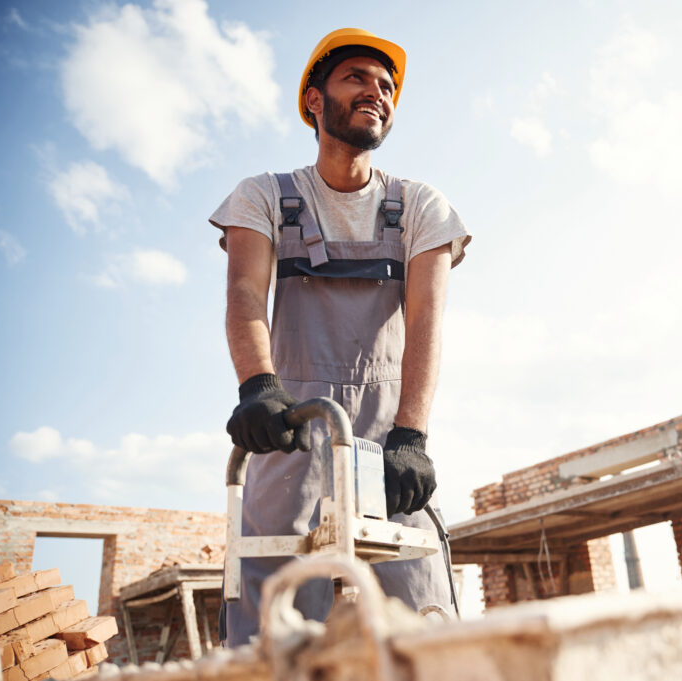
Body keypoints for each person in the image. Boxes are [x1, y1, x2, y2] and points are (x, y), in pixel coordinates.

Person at [208, 28, 470, 646]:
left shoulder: (419, 207)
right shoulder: (266, 196)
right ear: (315, 100)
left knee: (415, 613)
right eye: (357, 78)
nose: (375, 93)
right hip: (290, 427)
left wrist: (412, 434)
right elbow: (245, 294)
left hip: (387, 440)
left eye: (387, 86)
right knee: (273, 614)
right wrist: (258, 385)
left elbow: (428, 322)